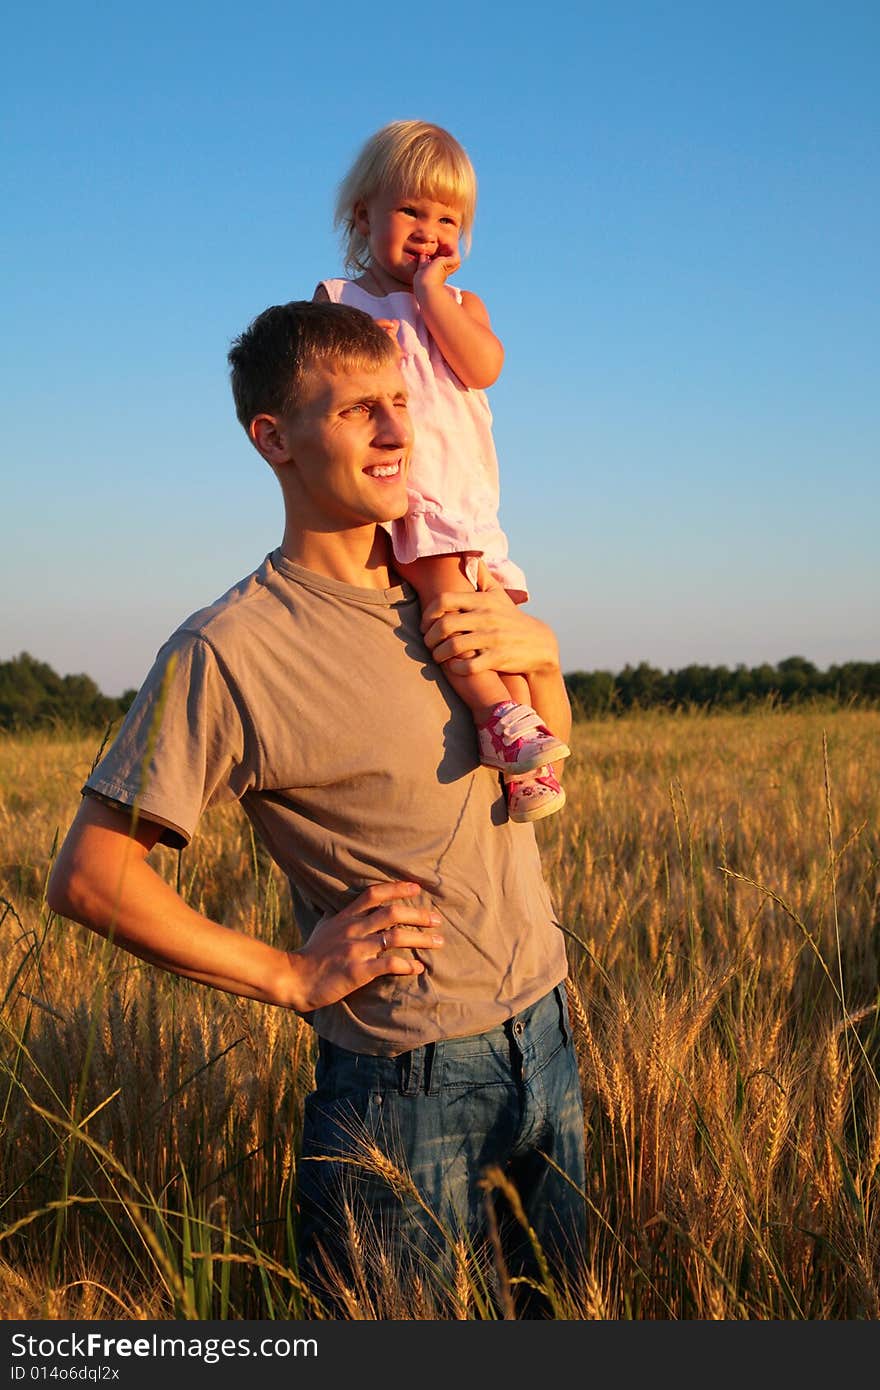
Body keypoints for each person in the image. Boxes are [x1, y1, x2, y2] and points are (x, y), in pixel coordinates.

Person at [46, 300, 586, 1317]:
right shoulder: (230, 650)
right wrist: (293, 973)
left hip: (547, 1039)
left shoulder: (457, 586)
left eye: (399, 402)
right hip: (404, 1087)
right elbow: (89, 876)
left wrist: (542, 657)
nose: (395, 433)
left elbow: (544, 777)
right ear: (273, 439)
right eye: (355, 413)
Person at [316, 119, 569, 825]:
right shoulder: (342, 303)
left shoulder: (460, 306)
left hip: (472, 500)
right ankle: (498, 715)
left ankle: (524, 755)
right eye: (411, 212)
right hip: (409, 491)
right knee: (448, 608)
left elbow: (483, 365)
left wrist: (431, 297)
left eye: (447, 218)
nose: (430, 230)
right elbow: (327, 393)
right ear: (363, 215)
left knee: (496, 624)